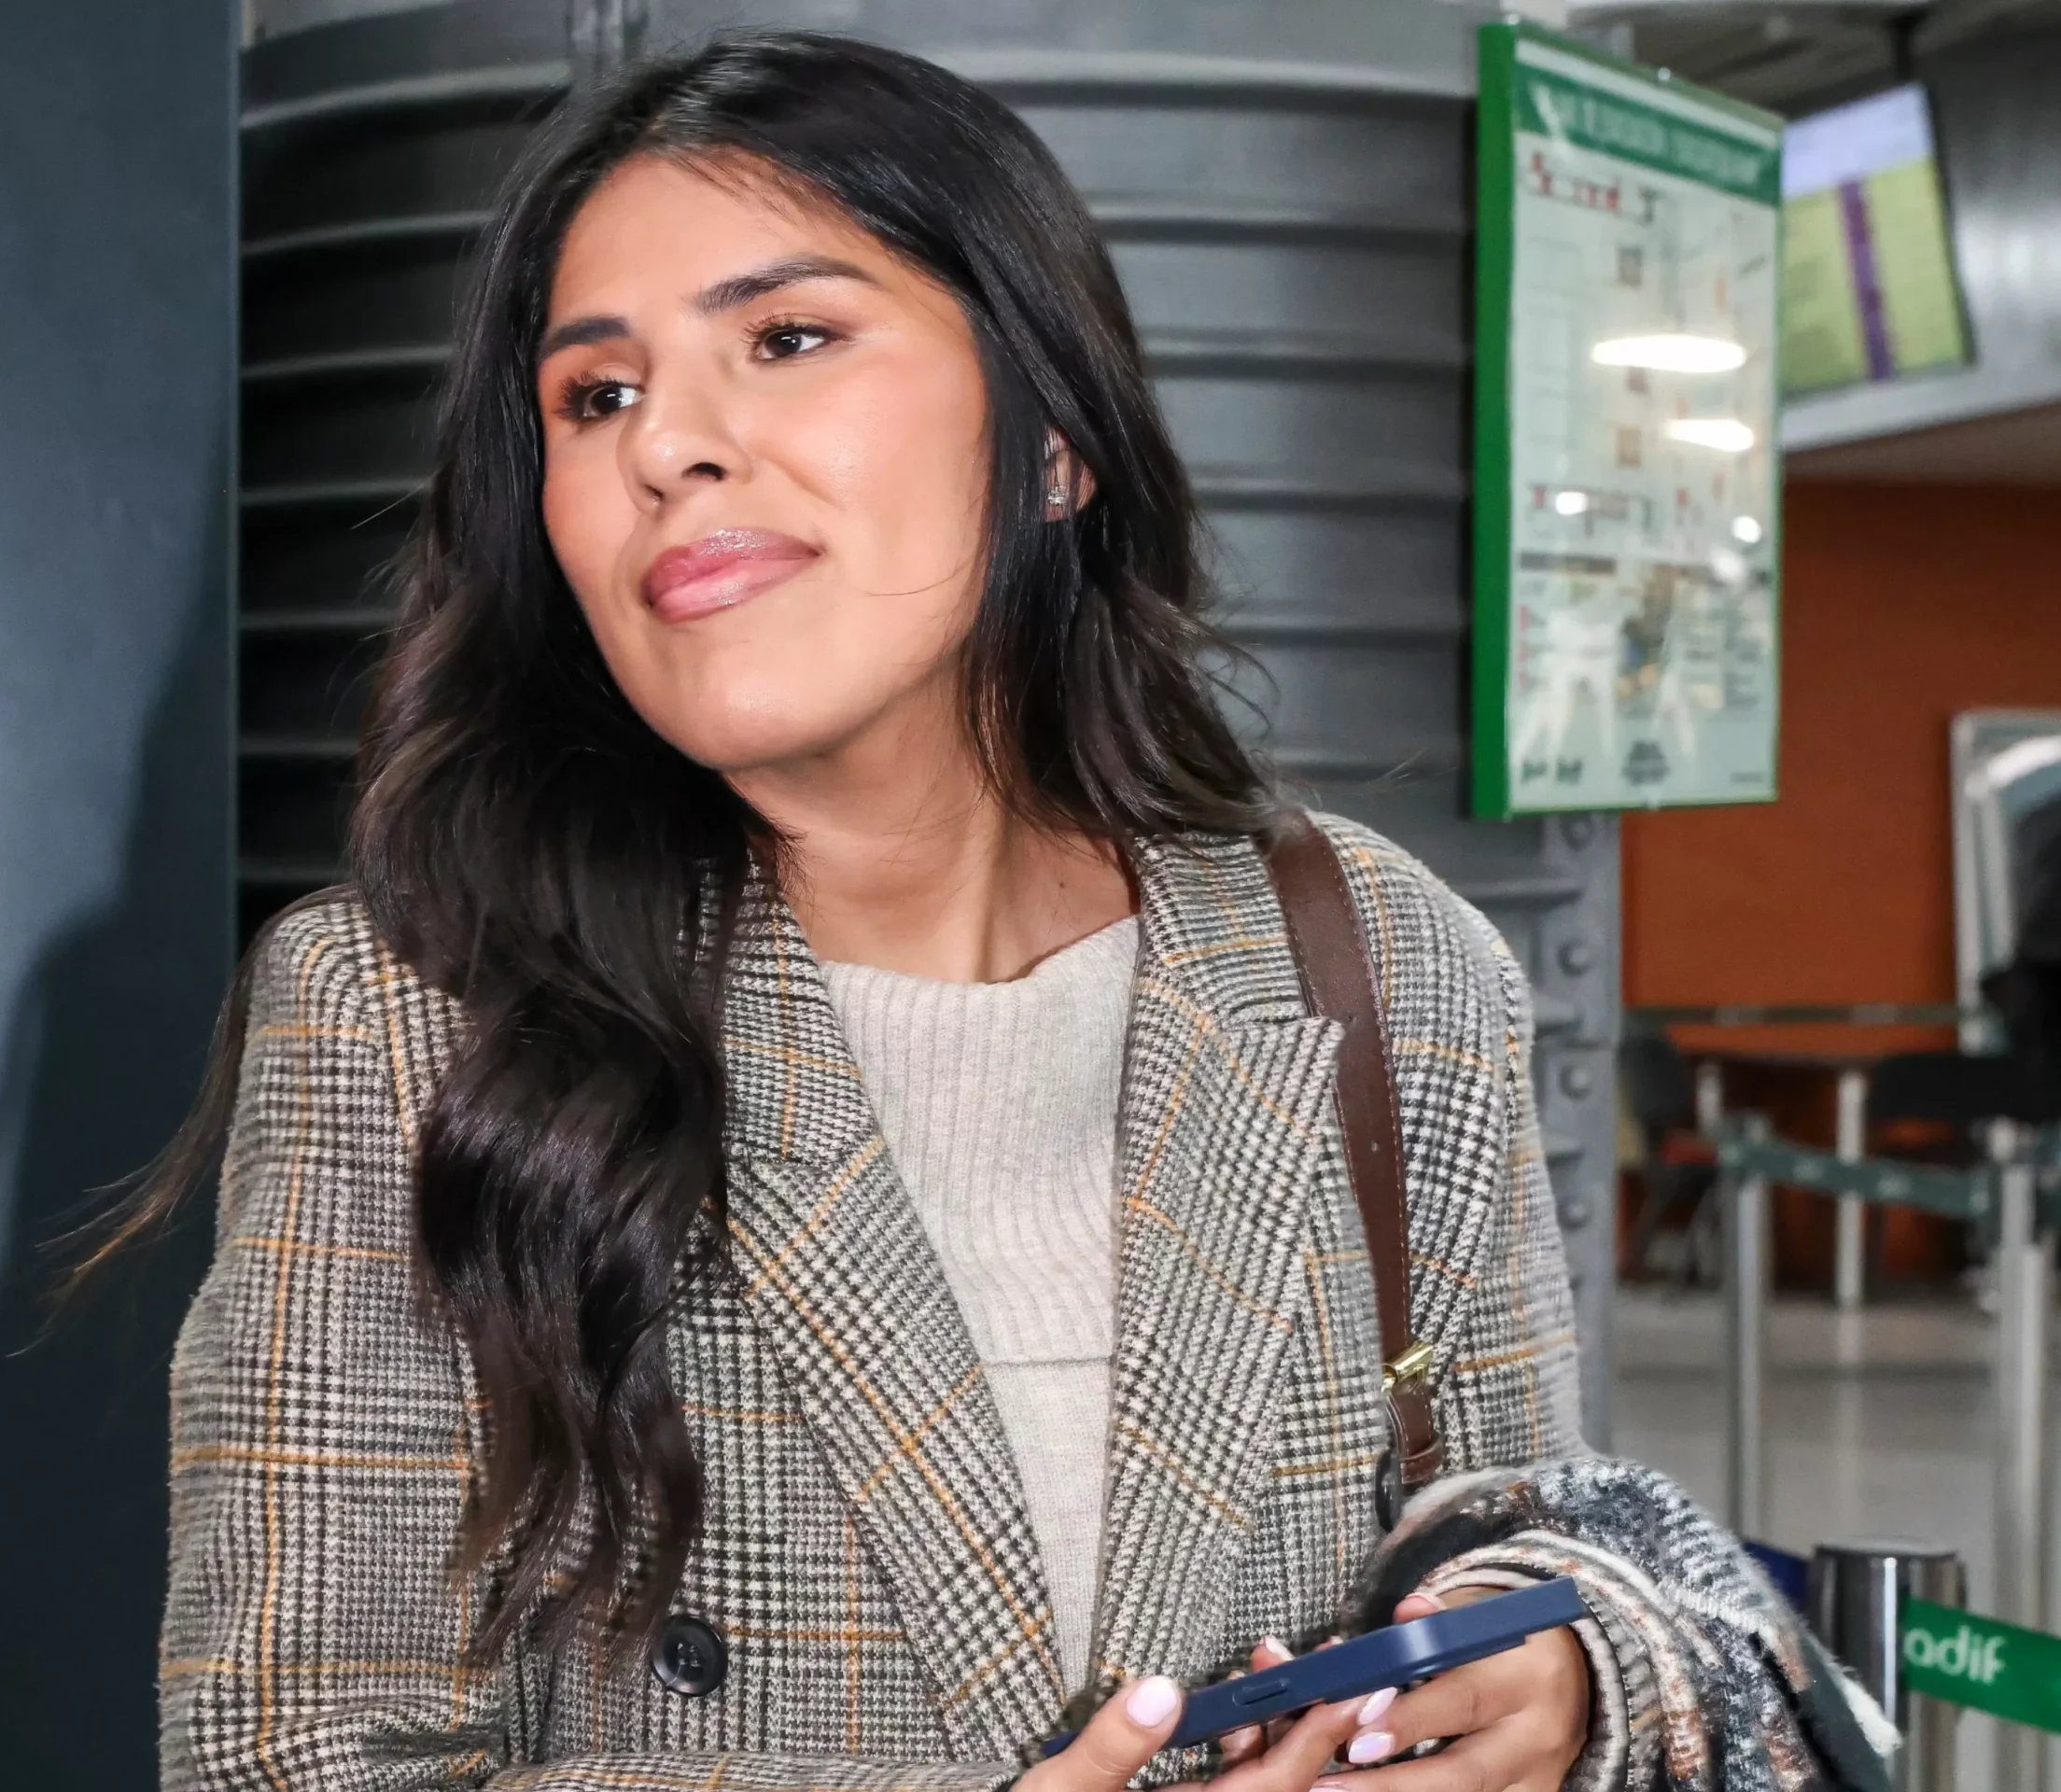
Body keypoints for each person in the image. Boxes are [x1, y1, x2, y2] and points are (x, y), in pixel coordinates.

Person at [120, 35, 1893, 1792]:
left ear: (1055, 441)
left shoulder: (1377, 960)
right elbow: (285, 1757)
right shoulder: (408, 1015)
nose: (669, 444)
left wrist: (1557, 1676)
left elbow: (1509, 1514)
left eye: (786, 338)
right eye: (596, 396)